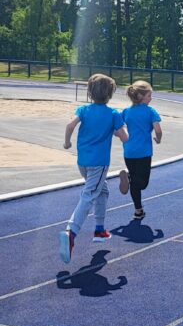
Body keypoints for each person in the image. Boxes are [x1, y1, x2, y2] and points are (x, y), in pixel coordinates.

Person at [59, 74, 129, 264]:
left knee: (102, 190)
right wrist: (119, 129)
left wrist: (67, 142)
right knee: (89, 195)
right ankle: (71, 231)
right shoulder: (113, 114)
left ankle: (100, 229)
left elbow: (70, 125)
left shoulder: (83, 110)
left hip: (83, 161)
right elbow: (124, 137)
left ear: (90, 92)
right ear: (110, 94)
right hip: (99, 163)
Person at [118, 80, 162, 220]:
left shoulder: (126, 112)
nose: (151, 98)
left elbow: (116, 128)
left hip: (129, 152)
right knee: (142, 183)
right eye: (149, 95)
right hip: (144, 152)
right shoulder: (150, 111)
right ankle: (129, 177)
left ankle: (138, 210)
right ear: (140, 97)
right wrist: (158, 139)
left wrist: (122, 135)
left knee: (136, 185)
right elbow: (158, 130)